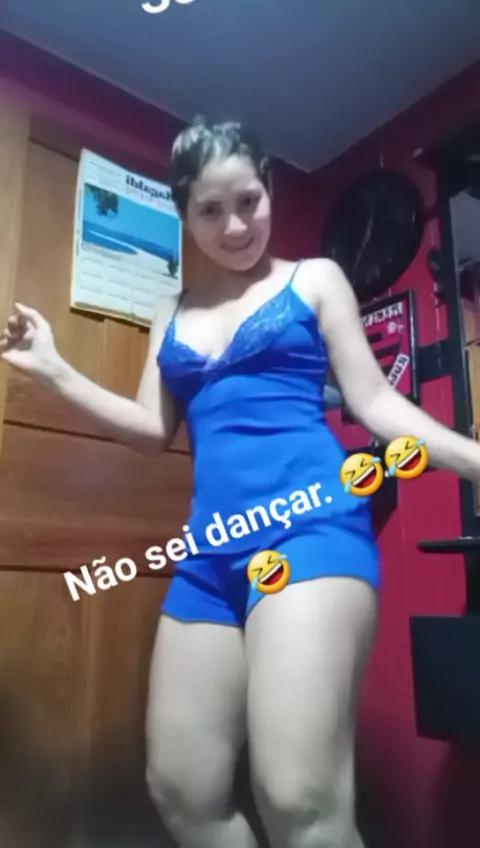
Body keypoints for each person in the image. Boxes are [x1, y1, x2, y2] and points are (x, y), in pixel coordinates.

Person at [2, 117, 480, 848]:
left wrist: (474, 459)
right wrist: (55, 371)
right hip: (212, 553)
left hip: (310, 530)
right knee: (181, 790)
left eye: (248, 201)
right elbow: (151, 428)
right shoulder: (170, 311)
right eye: (210, 210)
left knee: (298, 799)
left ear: (269, 188)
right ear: (184, 213)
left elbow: (376, 404)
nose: (235, 226)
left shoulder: (313, 280)